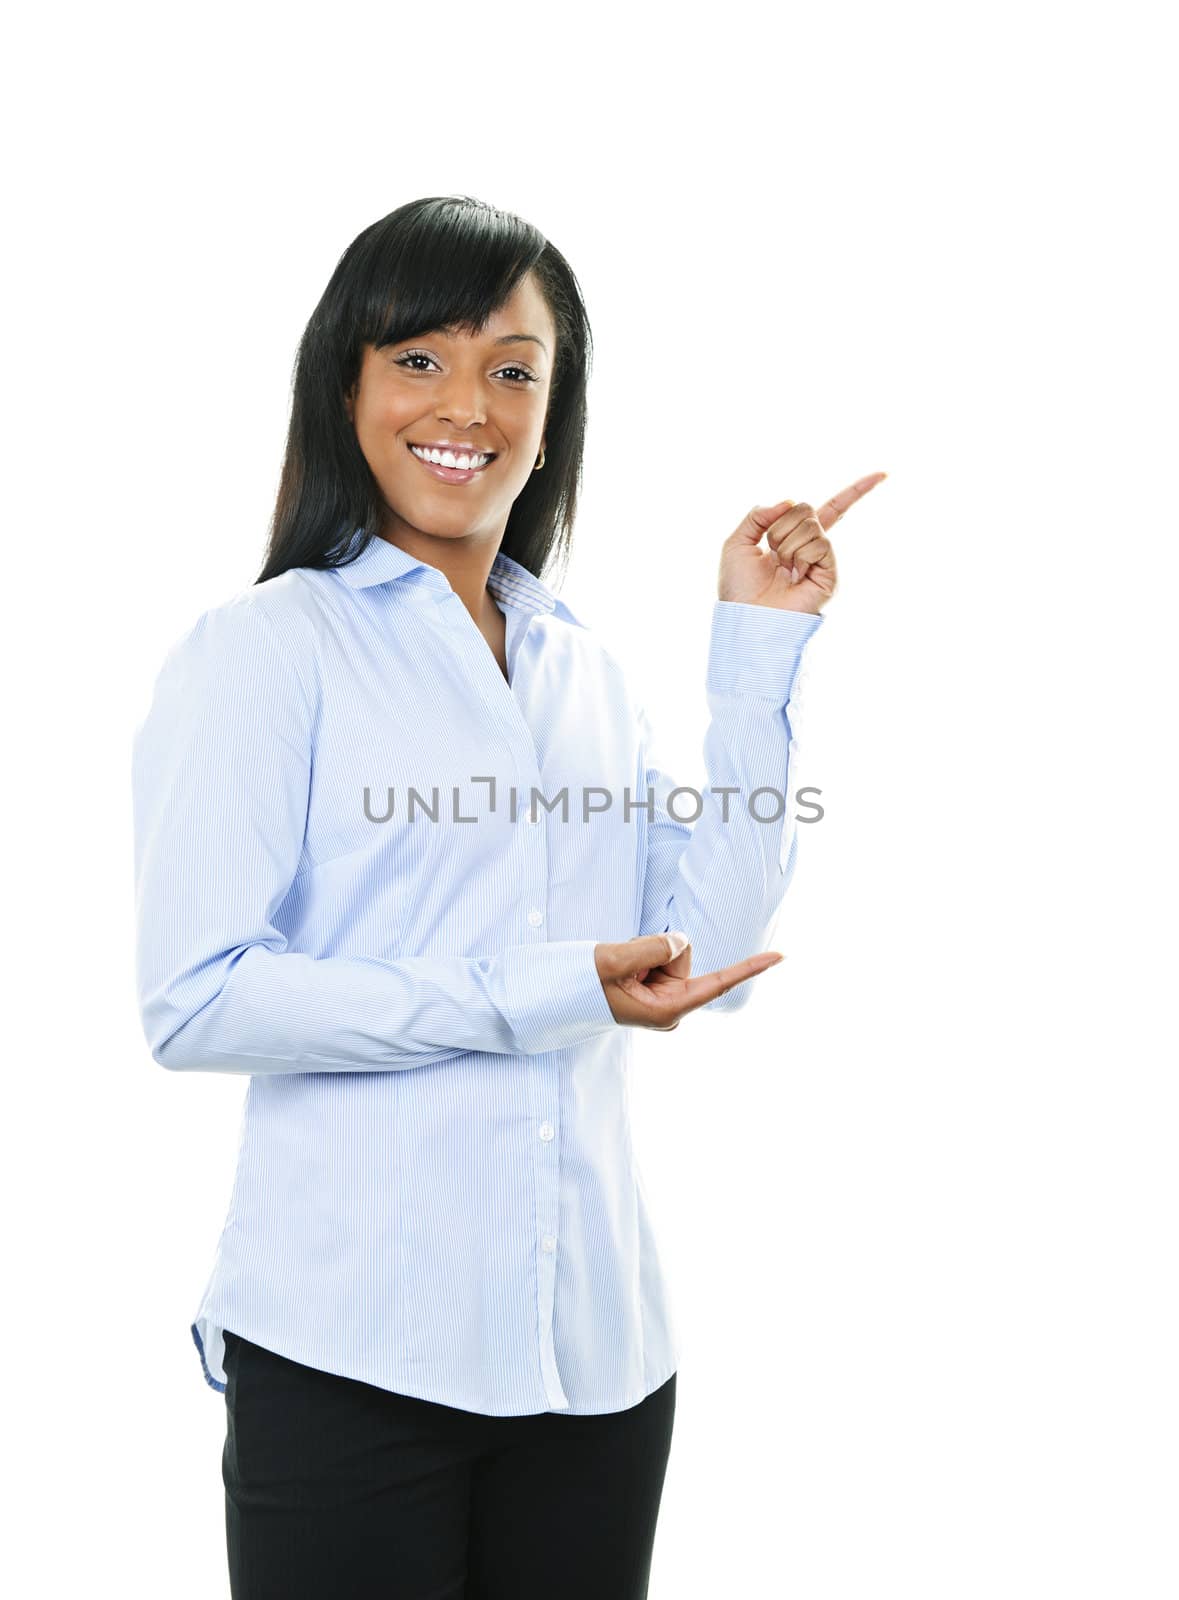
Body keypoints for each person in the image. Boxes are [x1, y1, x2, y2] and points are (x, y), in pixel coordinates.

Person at [130, 193, 884, 1600]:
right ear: (343, 381)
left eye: (514, 368)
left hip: (597, 1364)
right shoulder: (264, 651)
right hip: (354, 1356)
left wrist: (757, 655)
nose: (467, 405)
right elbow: (198, 999)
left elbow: (704, 943)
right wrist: (539, 992)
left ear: (555, 408)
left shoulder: (575, 668)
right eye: (418, 358)